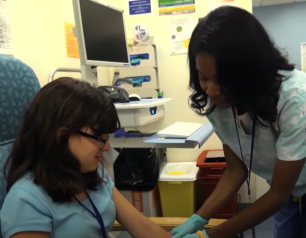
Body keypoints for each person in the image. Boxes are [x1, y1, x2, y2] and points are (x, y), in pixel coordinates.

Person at [171, 6, 306, 238]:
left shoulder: (295, 100)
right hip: (289, 194)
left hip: (285, 190)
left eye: (223, 80)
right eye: (203, 77)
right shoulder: (217, 104)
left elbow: (277, 194)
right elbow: (235, 170)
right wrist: (199, 217)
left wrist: (207, 236)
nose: (211, 90)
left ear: (250, 72)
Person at [0, 77, 170, 238]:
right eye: (99, 138)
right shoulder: (26, 200)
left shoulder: (95, 174)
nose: (107, 147)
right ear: (62, 136)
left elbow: (144, 228)